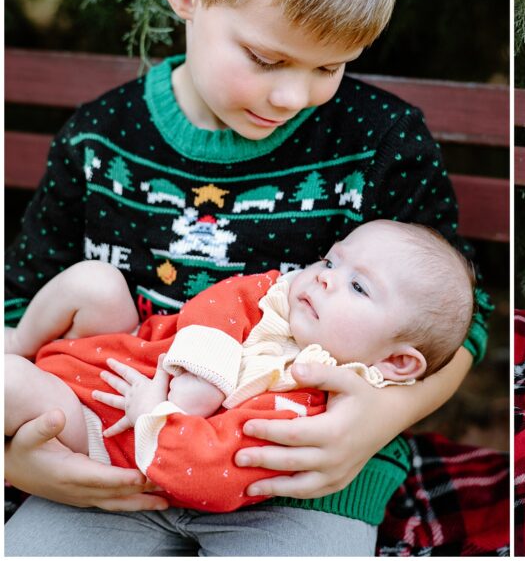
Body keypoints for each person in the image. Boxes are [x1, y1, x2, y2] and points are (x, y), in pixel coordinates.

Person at [4, 0, 493, 557]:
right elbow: (22, 306)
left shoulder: (382, 141)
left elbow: (460, 315)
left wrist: (373, 423)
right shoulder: (100, 139)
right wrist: (20, 457)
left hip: (293, 467)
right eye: (267, 60)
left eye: (328, 67)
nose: (293, 96)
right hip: (110, 447)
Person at [6, 220, 475, 515]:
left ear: (395, 361)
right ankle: (18, 341)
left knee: (12, 385)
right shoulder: (280, 300)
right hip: (122, 350)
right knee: (97, 282)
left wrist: (156, 410)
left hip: (103, 431)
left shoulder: (306, 406)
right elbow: (224, 300)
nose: (325, 276)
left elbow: (212, 474)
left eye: (359, 288)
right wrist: (206, 371)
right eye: (331, 260)